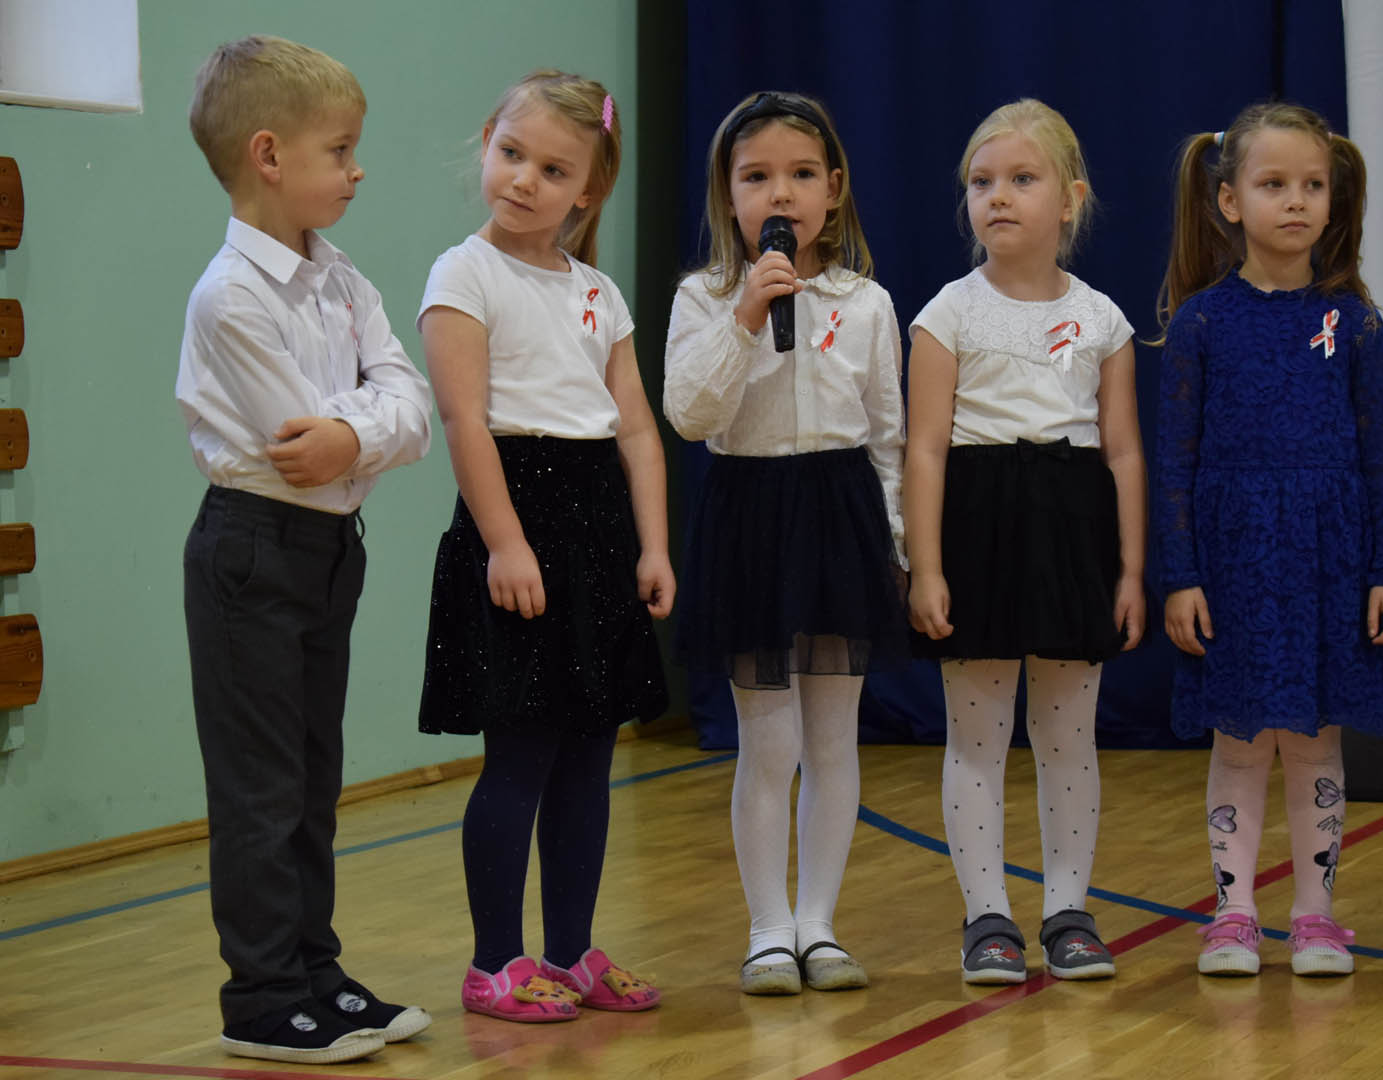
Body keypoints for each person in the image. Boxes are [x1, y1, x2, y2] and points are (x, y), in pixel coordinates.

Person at [177, 35, 433, 1063]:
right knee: (261, 785)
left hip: (328, 552)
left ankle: (315, 972)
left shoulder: (342, 280)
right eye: (341, 150)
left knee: (313, 778)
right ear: (270, 155)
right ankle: (262, 995)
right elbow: (305, 453)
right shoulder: (231, 296)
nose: (357, 170)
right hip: (252, 552)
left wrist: (355, 431)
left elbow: (409, 406)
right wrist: (364, 431)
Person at [417, 70, 671, 1021]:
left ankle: (570, 951)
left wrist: (653, 545)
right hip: (517, 523)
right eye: (512, 153)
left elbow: (635, 427)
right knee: (520, 756)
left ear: (587, 189)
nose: (525, 179)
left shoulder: (599, 291)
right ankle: (495, 963)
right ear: (489, 141)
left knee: (588, 758)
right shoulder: (464, 273)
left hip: (598, 531)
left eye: (554, 169)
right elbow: (464, 419)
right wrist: (506, 543)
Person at [1155, 103, 1383, 977]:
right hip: (1233, 563)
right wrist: (1180, 576)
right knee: (1239, 742)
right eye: (1274, 184)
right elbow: (1174, 463)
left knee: (1313, 741)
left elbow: (1382, 457)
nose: (1296, 201)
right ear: (1229, 201)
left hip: (1327, 561)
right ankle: (1233, 915)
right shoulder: (1199, 325)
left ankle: (1315, 915)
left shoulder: (1357, 324)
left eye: (1312, 185)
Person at [664, 91, 906, 995]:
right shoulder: (704, 297)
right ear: (729, 195)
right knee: (768, 744)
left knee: (833, 741)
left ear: (832, 189)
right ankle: (768, 929)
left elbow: (888, 436)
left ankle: (819, 926)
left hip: (839, 511)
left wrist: (898, 546)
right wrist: (743, 317)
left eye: (802, 174)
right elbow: (690, 415)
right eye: (757, 176)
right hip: (750, 513)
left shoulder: (867, 303)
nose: (781, 194)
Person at [905, 99, 1145, 984]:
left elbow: (1123, 451)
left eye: (1021, 179)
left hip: (1071, 532)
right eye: (981, 182)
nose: (998, 196)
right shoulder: (947, 313)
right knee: (976, 737)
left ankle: (1068, 912)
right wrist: (926, 566)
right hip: (978, 529)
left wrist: (1131, 569)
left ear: (1070, 198)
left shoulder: (1104, 320)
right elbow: (924, 449)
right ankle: (987, 917)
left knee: (1067, 738)